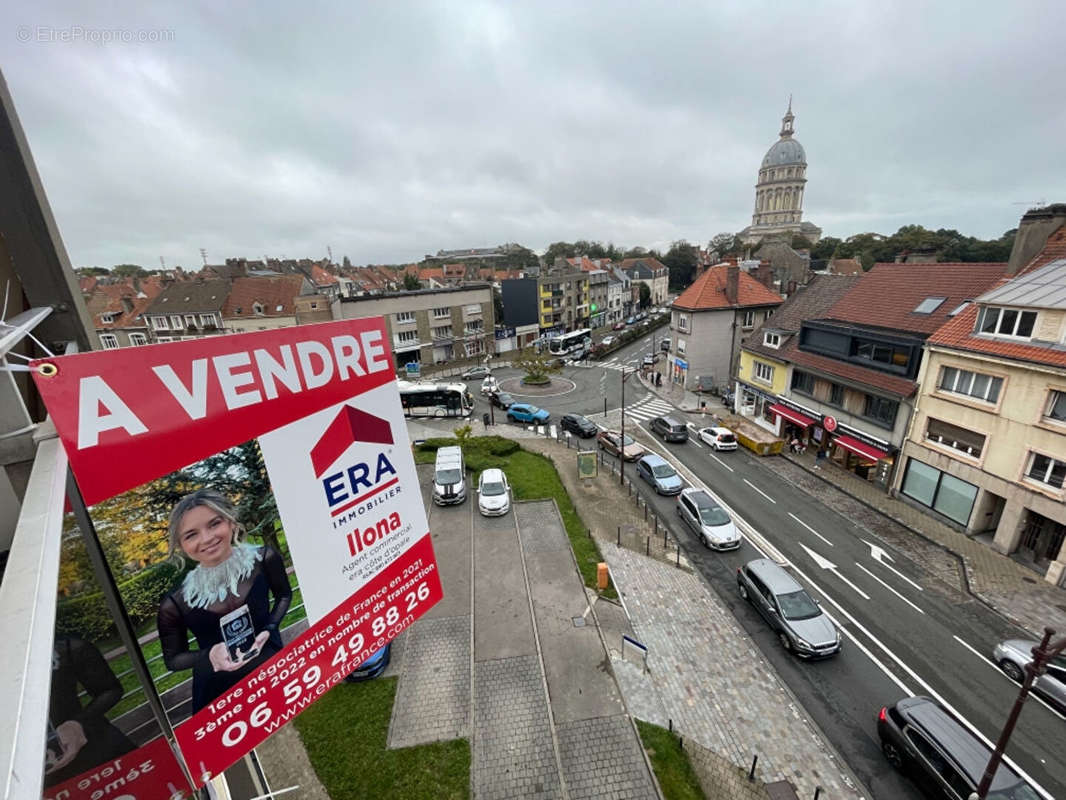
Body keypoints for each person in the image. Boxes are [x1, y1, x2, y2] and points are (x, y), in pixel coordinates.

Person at [157, 489, 292, 713]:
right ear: (181, 546)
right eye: (191, 535)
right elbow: (173, 659)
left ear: (230, 522)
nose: (207, 538)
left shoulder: (264, 559)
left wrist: (270, 628)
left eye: (214, 523)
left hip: (270, 669)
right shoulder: (174, 603)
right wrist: (208, 655)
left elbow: (284, 595)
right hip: (217, 693)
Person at [44, 635, 136, 787]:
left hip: (97, 747)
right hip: (45, 777)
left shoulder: (66, 648)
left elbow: (110, 689)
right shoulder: (68, 647)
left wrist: (78, 723)